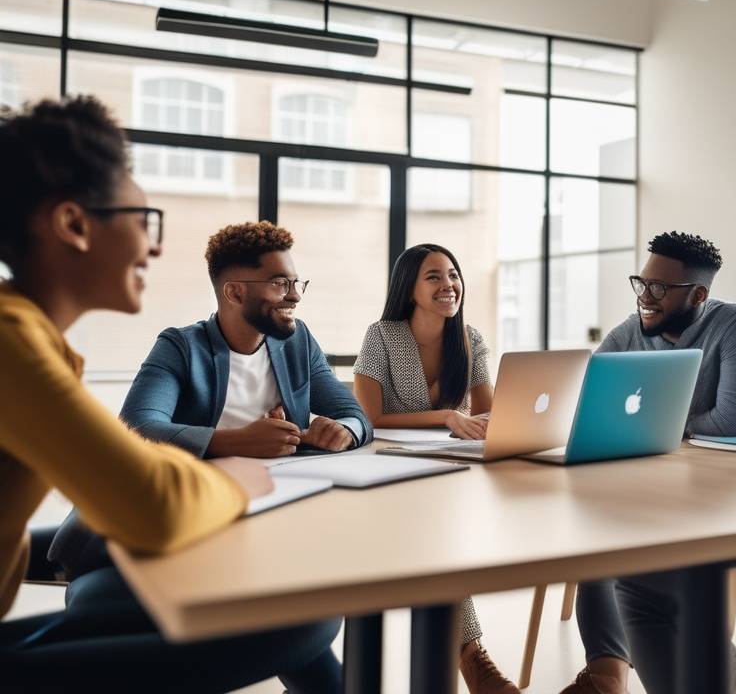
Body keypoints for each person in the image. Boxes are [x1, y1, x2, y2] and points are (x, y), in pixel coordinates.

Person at [0, 96, 342, 692]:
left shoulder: (27, 337)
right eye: (143, 219)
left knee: (301, 609)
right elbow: (153, 499)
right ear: (75, 225)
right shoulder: (12, 343)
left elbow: (125, 471)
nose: (153, 246)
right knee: (304, 619)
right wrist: (237, 474)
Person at [49, 220, 372, 580]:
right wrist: (238, 442)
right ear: (234, 293)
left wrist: (343, 430)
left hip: (274, 503)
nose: (294, 295)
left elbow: (353, 412)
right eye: (280, 283)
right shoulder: (180, 346)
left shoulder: (297, 341)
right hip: (185, 510)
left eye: (296, 283)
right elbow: (138, 427)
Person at [561, 231, 736, 694]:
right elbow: (588, 402)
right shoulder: (630, 331)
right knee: (602, 540)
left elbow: (734, 420)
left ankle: (614, 678)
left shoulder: (735, 325)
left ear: (698, 294)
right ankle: (617, 679)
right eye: (641, 283)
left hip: (734, 488)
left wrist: (658, 425)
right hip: (654, 488)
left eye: (659, 288)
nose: (645, 297)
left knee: (627, 554)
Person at [353, 243, 515, 694]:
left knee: (447, 534)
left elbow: (488, 413)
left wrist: (498, 423)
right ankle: (473, 657)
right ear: (410, 286)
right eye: (435, 277)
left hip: (453, 472)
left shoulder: (471, 339)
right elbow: (371, 417)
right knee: (438, 539)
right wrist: (446, 415)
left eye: (454, 275)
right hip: (388, 470)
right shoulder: (382, 335)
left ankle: (469, 657)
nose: (449, 285)